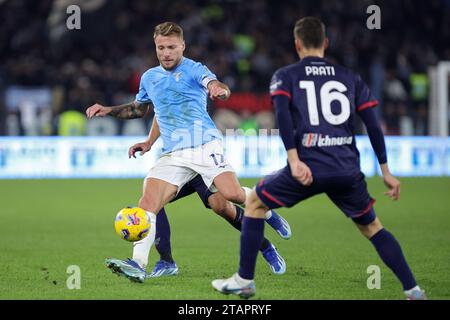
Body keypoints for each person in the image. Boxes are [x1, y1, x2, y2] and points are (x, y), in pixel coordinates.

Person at [212, 17, 426, 300]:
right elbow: (373, 124)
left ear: (297, 43)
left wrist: (294, 160)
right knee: (373, 227)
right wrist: (386, 170)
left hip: (308, 167)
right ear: (325, 43)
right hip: (347, 169)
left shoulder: (285, 76)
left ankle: (245, 280)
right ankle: (413, 291)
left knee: (254, 202)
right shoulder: (350, 77)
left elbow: (284, 119)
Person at [86, 21, 290, 283]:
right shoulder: (150, 77)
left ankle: (268, 214)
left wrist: (219, 89)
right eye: (161, 47)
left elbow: (215, 84)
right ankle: (138, 264)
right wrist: (110, 111)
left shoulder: (194, 69)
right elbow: (144, 109)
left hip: (204, 146)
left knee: (228, 199)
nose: (166, 52)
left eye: (172, 47)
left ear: (182, 46)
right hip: (174, 155)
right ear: (155, 47)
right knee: (148, 203)